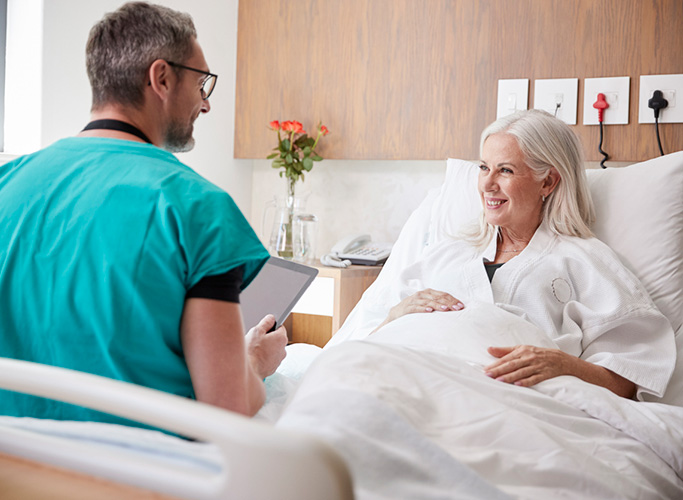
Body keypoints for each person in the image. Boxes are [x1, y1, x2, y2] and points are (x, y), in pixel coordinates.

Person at [0, 2, 287, 427]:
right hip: (136, 480)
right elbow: (227, 408)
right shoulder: (198, 208)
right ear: (162, 77)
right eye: (202, 83)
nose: (205, 105)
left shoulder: (7, 181)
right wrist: (254, 362)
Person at [371, 109, 675, 400]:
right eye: (483, 168)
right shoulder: (446, 253)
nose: (487, 184)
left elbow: (628, 379)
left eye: (505, 170)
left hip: (498, 402)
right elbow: (370, 342)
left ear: (548, 181)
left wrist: (562, 365)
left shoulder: (584, 261)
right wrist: (395, 316)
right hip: (398, 381)